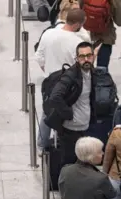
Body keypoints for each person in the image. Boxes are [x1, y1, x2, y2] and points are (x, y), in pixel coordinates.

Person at [36, 9, 88, 151]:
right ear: (78, 24)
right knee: (67, 112)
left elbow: (39, 57)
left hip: (49, 81)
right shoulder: (78, 42)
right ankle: (62, 144)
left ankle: (41, 144)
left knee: (48, 111)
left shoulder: (48, 33)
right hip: (69, 84)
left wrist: (49, 71)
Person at [44, 42, 97, 166]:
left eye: (89, 55)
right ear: (77, 59)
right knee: (69, 163)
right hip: (71, 128)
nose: (86, 59)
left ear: (93, 56)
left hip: (85, 125)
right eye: (82, 57)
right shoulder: (71, 75)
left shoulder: (92, 73)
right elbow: (55, 97)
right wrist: (68, 114)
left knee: (84, 162)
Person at [85, 0, 121, 68]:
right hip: (105, 37)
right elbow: (120, 21)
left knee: (83, 67)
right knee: (101, 69)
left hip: (85, 34)